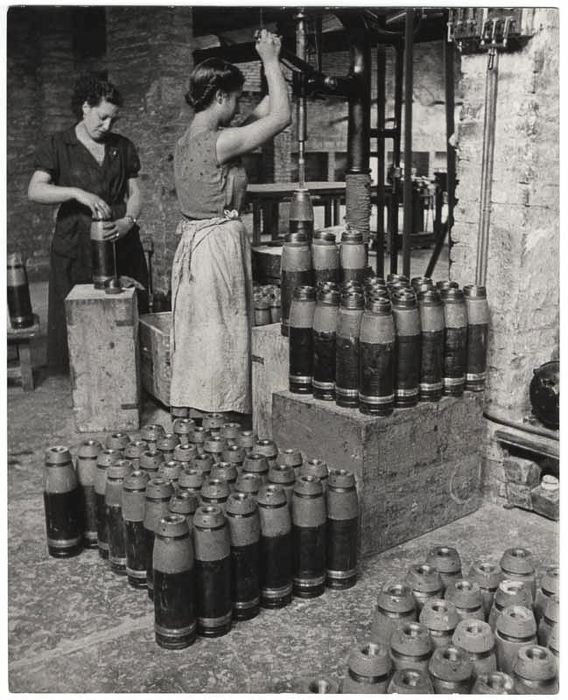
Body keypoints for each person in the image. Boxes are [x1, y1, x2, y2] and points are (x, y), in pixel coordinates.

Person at [171, 29, 291, 417]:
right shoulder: (219, 143)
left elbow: (262, 116)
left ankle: (197, 416)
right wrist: (270, 61)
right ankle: (220, 419)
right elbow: (281, 118)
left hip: (195, 247)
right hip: (215, 250)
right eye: (237, 97)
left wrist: (276, 66)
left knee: (199, 339)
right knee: (221, 339)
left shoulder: (190, 139)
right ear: (220, 96)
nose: (240, 105)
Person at [28, 74, 149, 370]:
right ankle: (84, 375)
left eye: (113, 120)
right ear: (85, 106)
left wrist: (128, 221)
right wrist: (75, 192)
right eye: (102, 117)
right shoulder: (59, 145)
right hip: (76, 242)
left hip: (119, 238)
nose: (107, 126)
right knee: (79, 315)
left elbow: (135, 192)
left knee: (127, 309)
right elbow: (35, 190)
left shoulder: (123, 146)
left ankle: (128, 371)